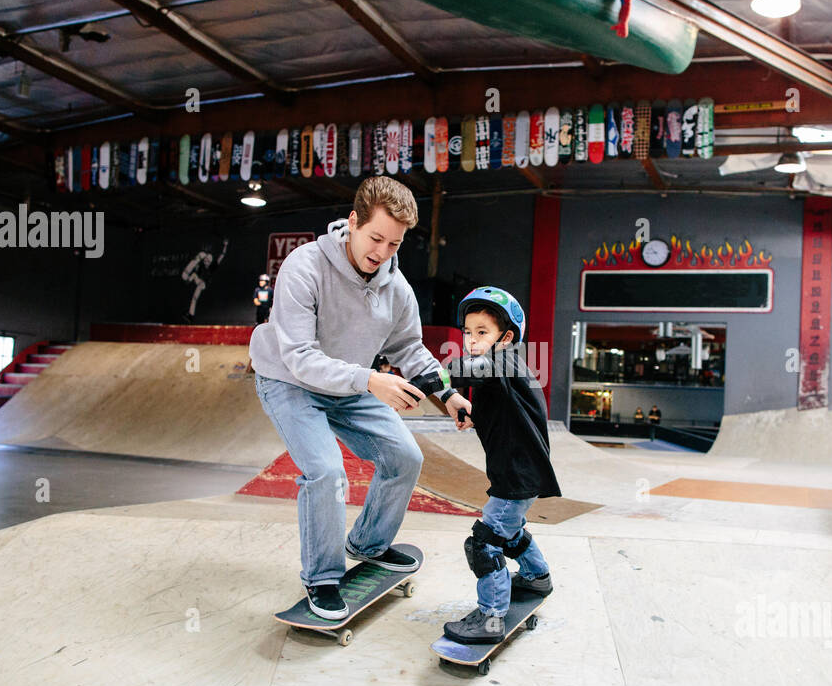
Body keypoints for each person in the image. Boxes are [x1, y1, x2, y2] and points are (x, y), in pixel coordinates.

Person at [249, 177, 472, 620]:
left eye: (394, 244)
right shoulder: (304, 267)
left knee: (405, 457)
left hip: (350, 386)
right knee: (327, 471)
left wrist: (445, 392)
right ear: (352, 222)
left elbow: (409, 346)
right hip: (290, 381)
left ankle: (368, 543)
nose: (382, 252)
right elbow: (299, 357)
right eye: (375, 238)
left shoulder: (397, 286)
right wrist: (371, 380)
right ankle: (322, 577)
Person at [439, 286, 561, 645]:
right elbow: (509, 416)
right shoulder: (502, 372)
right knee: (511, 533)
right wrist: (475, 417)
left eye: (482, 333)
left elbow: (456, 369)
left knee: (485, 543)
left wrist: (435, 380)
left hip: (514, 479)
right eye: (467, 332)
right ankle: (538, 578)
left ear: (506, 338)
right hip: (520, 475)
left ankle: (491, 617)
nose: (472, 341)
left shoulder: (504, 361)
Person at [181, 237, 228, 322]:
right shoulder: (202, 265)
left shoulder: (213, 266)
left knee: (195, 295)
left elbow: (222, 255)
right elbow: (197, 264)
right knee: (194, 295)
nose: (206, 262)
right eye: (205, 261)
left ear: (211, 261)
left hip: (203, 284)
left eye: (208, 261)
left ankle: (191, 315)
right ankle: (190, 315)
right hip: (199, 281)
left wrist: (225, 246)